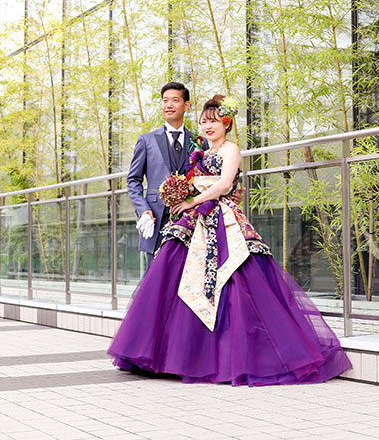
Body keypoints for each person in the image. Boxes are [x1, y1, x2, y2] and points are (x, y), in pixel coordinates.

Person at [108, 95, 352, 386]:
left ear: (226, 122)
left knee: (234, 278)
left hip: (221, 217)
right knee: (178, 276)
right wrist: (182, 195)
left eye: (213, 121)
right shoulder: (199, 153)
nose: (208, 126)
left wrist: (193, 200)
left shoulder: (231, 149)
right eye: (204, 121)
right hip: (195, 218)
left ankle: (231, 357)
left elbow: (224, 184)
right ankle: (177, 356)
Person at [127, 82, 207, 270]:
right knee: (155, 278)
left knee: (186, 278)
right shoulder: (146, 141)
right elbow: (133, 181)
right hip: (156, 218)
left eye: (175, 100)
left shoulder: (198, 142)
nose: (168, 105)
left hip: (190, 219)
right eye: (165, 101)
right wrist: (143, 210)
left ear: (186, 105)